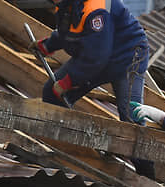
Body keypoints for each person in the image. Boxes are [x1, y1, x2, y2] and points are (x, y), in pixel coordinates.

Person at [31, 0, 155, 177]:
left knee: (131, 117)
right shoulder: (67, 5)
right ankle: (66, 149)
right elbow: (69, 30)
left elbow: (96, 58)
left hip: (127, 58)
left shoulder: (97, 10)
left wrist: (69, 81)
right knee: (52, 93)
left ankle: (147, 175)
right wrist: (48, 45)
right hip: (99, 55)